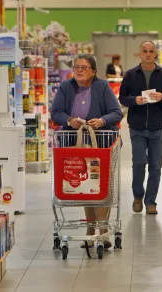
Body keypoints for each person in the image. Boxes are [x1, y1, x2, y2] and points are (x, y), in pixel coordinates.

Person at [51, 54, 123, 249]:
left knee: (102, 184)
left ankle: (102, 229)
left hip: (102, 143)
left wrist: (101, 121)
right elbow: (55, 112)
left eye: (84, 67)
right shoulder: (66, 87)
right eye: (77, 67)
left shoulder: (102, 87)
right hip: (75, 144)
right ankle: (91, 229)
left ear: (93, 71)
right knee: (86, 184)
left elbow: (116, 112)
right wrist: (68, 120)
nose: (79, 70)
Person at [119, 41, 162, 215]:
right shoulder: (130, 75)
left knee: (156, 166)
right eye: (145, 51)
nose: (148, 54)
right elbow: (122, 98)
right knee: (138, 163)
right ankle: (138, 195)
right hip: (137, 126)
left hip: (157, 127)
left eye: (151, 51)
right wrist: (134, 100)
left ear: (156, 54)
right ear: (140, 53)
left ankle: (151, 202)